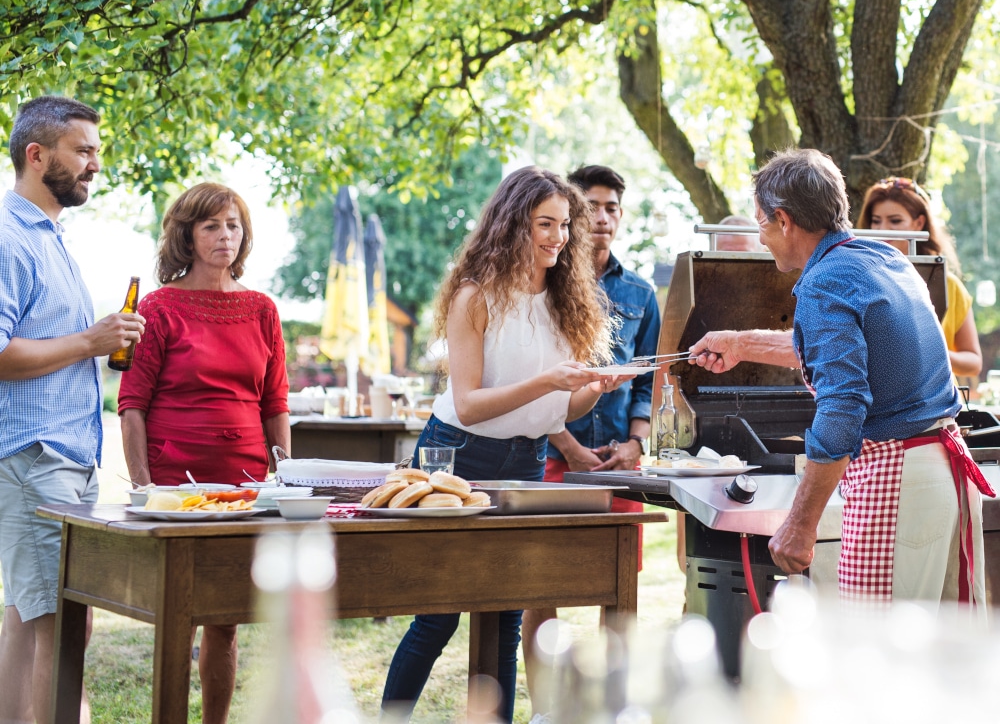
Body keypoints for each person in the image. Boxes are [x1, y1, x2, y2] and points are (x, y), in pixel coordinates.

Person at [690, 148, 992, 606]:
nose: (762, 237)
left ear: (785, 220)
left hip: (897, 483)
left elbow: (843, 404)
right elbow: (840, 352)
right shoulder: (880, 259)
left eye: (762, 223)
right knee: (935, 662)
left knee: (875, 659)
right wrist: (740, 342)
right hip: (942, 478)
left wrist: (800, 523)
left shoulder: (825, 281)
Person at [381, 166, 619, 724]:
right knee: (438, 616)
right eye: (544, 224)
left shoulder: (569, 298)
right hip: (457, 457)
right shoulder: (475, 296)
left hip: (525, 460)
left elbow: (561, 409)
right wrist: (551, 381)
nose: (557, 237)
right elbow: (468, 403)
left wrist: (592, 389)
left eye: (564, 225)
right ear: (513, 224)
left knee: (507, 614)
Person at [118, 182, 290, 724]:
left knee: (227, 616)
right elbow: (132, 405)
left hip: (243, 483)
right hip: (174, 482)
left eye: (233, 225)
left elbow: (275, 404)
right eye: (211, 225)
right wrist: (144, 485)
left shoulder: (262, 309)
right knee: (179, 614)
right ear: (187, 235)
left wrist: (283, 479)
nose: (225, 236)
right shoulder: (159, 307)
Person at [0, 95, 145, 724]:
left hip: (63, 458)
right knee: (57, 630)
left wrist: (100, 345)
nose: (94, 165)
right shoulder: (10, 238)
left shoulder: (50, 236)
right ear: (37, 155)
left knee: (29, 620)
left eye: (97, 153)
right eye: (82, 151)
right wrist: (90, 340)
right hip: (35, 459)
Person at [521, 165, 660, 721]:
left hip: (617, 468)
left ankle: (612, 706)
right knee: (540, 586)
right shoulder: (544, 281)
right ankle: (544, 710)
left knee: (618, 589)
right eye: (592, 206)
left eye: (612, 208)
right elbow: (529, 374)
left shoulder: (641, 293)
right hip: (550, 459)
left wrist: (636, 442)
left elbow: (647, 377)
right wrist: (569, 446)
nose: (602, 217)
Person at [857, 175, 983, 381]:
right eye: (876, 221)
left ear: (919, 223)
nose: (883, 230)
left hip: (938, 406)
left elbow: (973, 363)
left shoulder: (948, 285)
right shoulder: (857, 281)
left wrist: (930, 350)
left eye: (895, 221)